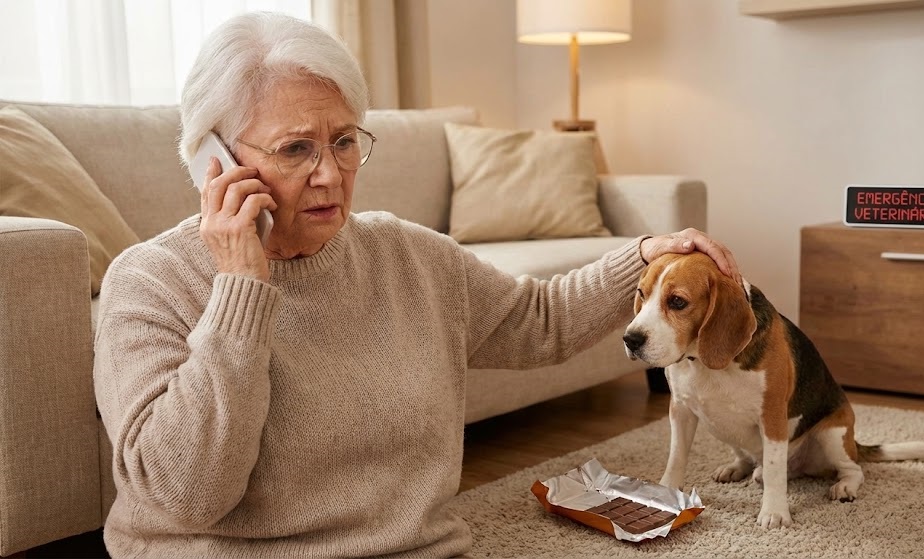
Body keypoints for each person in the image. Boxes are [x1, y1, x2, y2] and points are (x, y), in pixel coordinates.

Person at [93, 11, 740, 559]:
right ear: (218, 163)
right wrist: (239, 290)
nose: (329, 173)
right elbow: (184, 496)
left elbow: (539, 320)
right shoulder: (150, 282)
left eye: (344, 141)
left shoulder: (407, 256)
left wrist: (646, 255)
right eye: (296, 150)